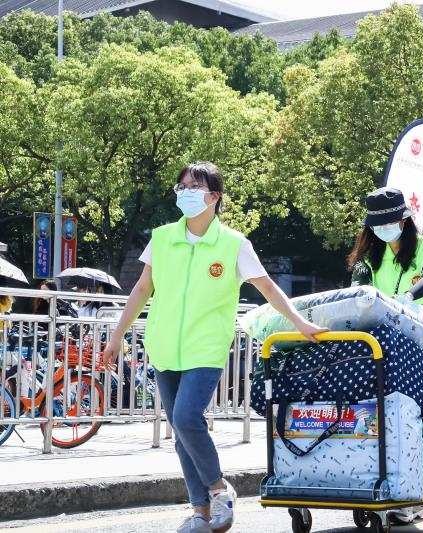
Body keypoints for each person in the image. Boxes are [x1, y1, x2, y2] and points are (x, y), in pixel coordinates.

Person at [101, 162, 326, 533]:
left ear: (214, 196)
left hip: (205, 348)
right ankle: (201, 512)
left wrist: (300, 323)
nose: (185, 192)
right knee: (180, 431)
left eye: (194, 186)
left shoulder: (234, 244)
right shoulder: (162, 238)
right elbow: (141, 289)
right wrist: (117, 335)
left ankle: (220, 489)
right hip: (164, 346)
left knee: (186, 418)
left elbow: (268, 288)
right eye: (181, 186)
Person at [349, 186, 423, 360]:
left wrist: (407, 297)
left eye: (388, 223)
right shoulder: (366, 256)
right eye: (378, 224)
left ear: (404, 220)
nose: (383, 227)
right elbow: (357, 290)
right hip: (385, 343)